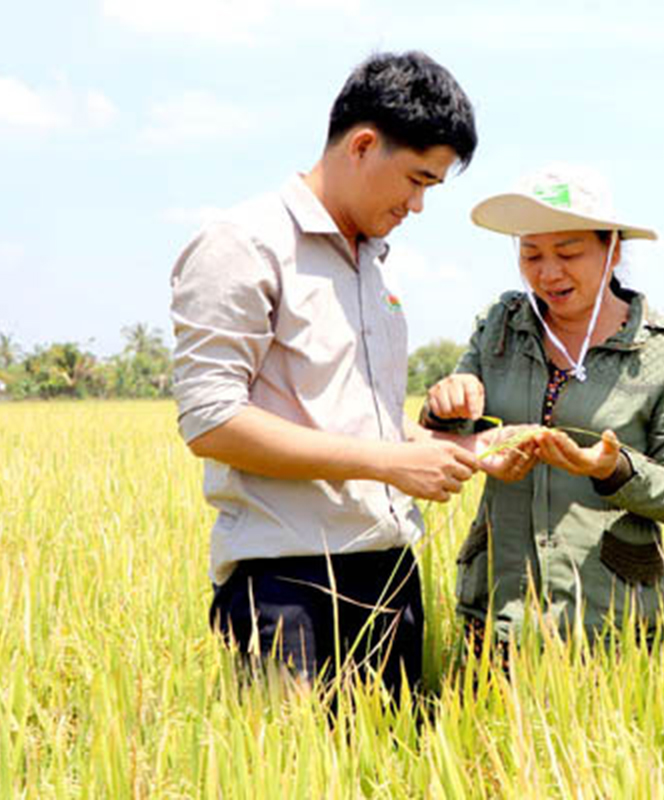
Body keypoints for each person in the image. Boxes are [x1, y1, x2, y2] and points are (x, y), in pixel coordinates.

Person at [169, 51, 486, 698]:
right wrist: (388, 464)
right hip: (287, 585)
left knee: (394, 776)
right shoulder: (245, 244)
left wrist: (452, 452)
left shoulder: (373, 262)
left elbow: (358, 418)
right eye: (417, 180)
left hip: (391, 576)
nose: (419, 205)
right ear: (364, 145)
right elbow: (212, 421)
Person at [422, 165, 664, 647]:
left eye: (569, 252)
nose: (547, 272)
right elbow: (448, 439)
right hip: (497, 611)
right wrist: (443, 406)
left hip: (610, 621)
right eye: (531, 253)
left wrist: (612, 469)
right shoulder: (499, 329)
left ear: (613, 249)